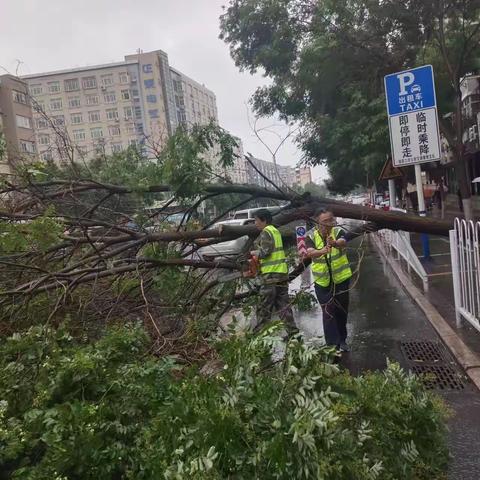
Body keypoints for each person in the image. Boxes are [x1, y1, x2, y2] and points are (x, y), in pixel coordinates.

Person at [304, 209, 352, 352]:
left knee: (341, 311)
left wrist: (335, 243)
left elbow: (344, 241)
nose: (329, 223)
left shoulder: (337, 231)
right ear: (317, 222)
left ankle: (342, 340)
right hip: (322, 282)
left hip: (341, 279)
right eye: (325, 221)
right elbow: (309, 252)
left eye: (331, 219)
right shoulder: (310, 235)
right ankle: (332, 344)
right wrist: (322, 251)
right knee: (328, 311)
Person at [250, 209, 297, 336]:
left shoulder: (266, 232)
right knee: (283, 307)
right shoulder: (275, 231)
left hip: (270, 277)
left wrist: (254, 253)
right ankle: (293, 334)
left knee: (264, 309)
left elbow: (266, 252)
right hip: (281, 274)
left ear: (264, 220)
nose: (255, 223)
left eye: (256, 220)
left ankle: (259, 338)